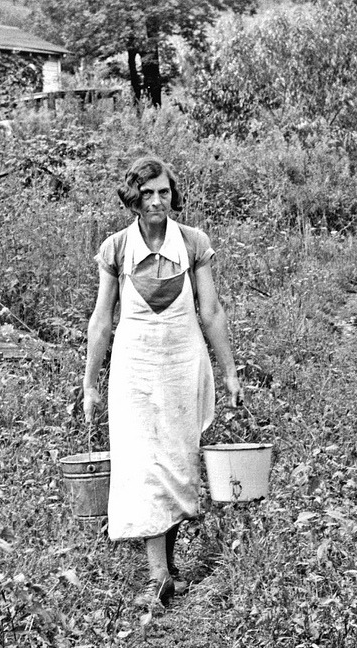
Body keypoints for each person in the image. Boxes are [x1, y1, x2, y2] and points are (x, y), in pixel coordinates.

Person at [83, 155, 243, 608]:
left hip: (182, 365)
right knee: (142, 464)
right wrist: (90, 382)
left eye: (164, 192)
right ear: (134, 198)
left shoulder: (193, 243)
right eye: (148, 193)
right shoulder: (116, 248)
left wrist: (229, 371)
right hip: (134, 368)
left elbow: (210, 311)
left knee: (176, 462)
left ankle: (170, 568)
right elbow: (102, 319)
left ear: (173, 196)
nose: (157, 201)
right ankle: (156, 578)